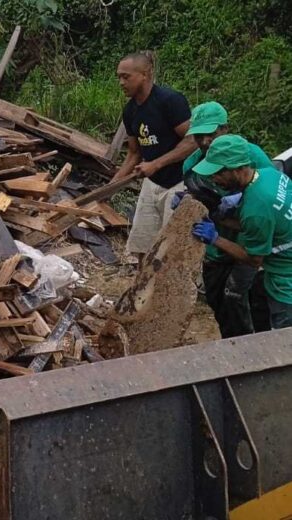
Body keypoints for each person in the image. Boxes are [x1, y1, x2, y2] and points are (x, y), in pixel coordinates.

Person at [176, 102, 274, 338]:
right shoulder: (193, 165)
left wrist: (242, 198)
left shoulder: (251, 155)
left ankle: (256, 351)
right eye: (199, 136)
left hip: (246, 243)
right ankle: (230, 350)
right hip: (215, 247)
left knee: (243, 299)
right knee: (219, 301)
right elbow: (195, 201)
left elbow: (268, 198)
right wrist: (186, 204)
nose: (206, 141)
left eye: (211, 134)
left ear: (225, 129)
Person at [191, 135, 292, 329]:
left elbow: (254, 259)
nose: (213, 178)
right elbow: (268, 224)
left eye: (218, 172)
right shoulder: (269, 175)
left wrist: (216, 238)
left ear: (238, 168)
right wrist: (219, 218)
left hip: (286, 282)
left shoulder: (257, 208)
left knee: (285, 342)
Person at [114, 52, 197, 264]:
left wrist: (156, 164)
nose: (121, 82)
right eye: (119, 77)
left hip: (179, 183)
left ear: (145, 74)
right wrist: (112, 185)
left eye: (126, 76)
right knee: (142, 245)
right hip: (152, 184)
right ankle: (141, 292)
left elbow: (192, 141)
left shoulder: (170, 101)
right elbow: (134, 153)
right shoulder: (130, 111)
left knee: (172, 247)